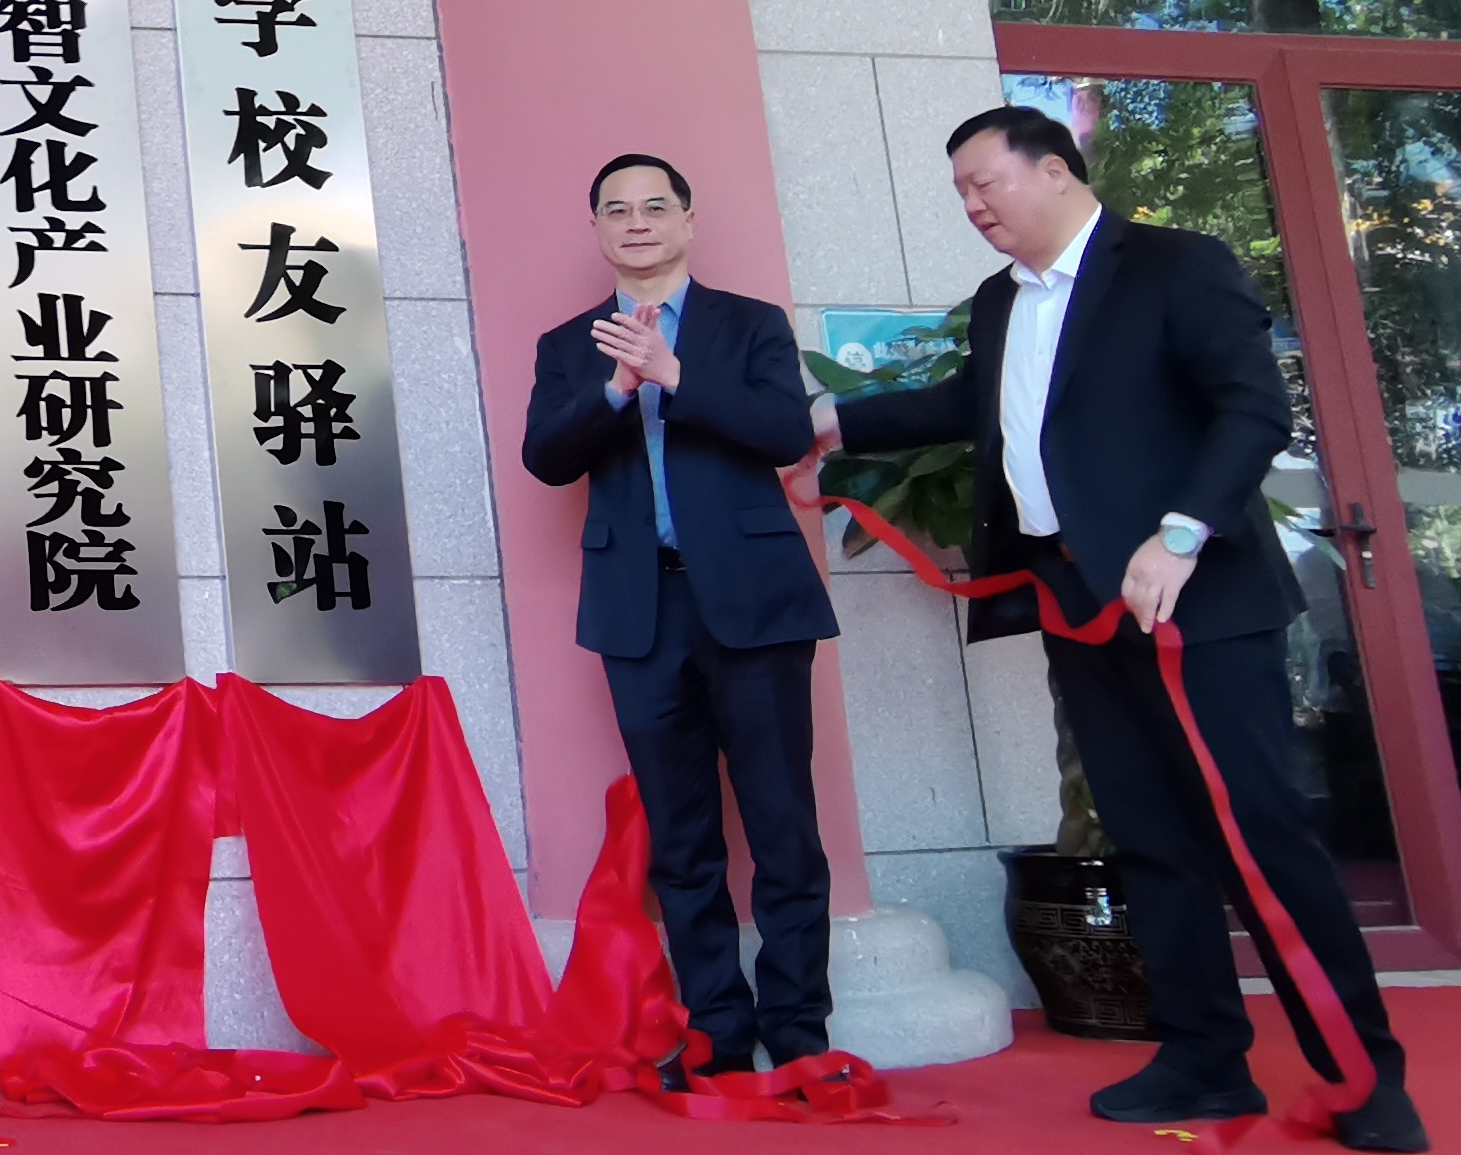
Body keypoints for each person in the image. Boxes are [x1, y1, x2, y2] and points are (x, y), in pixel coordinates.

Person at [825, 108, 1424, 1148]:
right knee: (1147, 836)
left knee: (1260, 834)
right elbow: (973, 403)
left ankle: (1365, 1079)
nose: (971, 205)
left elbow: (1253, 410)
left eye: (984, 182)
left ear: (1056, 170)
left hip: (1196, 602)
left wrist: (1181, 533)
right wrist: (831, 422)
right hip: (1079, 604)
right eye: (959, 191)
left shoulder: (1175, 266)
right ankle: (1203, 1059)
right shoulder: (1003, 302)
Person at [520, 154, 836, 1078]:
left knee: (782, 826)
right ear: (598, 230)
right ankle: (718, 1033)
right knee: (682, 837)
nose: (637, 222)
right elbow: (546, 458)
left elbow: (786, 434)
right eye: (617, 209)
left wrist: (675, 374)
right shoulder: (569, 343)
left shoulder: (750, 322)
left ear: (688, 220)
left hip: (756, 602)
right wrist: (617, 390)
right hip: (640, 608)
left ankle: (799, 1031)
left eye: (655, 206)